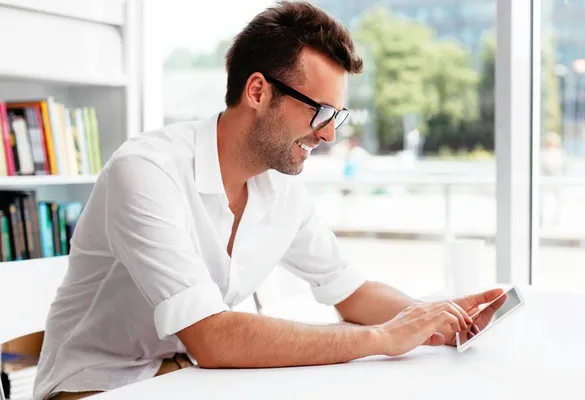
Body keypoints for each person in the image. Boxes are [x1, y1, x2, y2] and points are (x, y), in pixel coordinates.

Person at [34, 2, 504, 399]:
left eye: (337, 114)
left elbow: (352, 291)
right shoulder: (146, 171)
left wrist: (438, 318)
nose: (329, 133)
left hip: (183, 378)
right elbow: (213, 337)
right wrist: (380, 339)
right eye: (320, 111)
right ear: (258, 91)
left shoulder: (280, 190)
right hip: (93, 388)